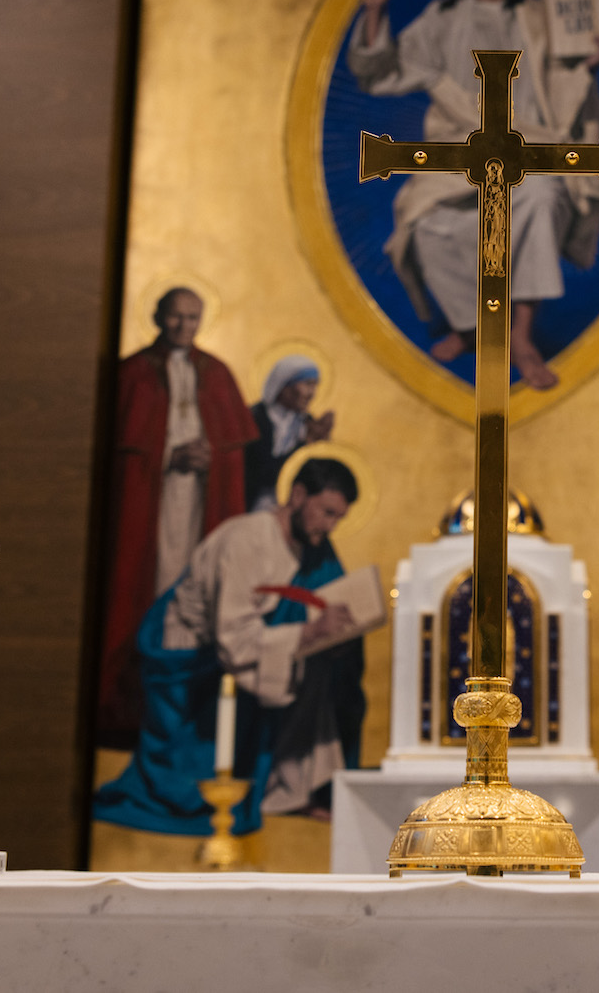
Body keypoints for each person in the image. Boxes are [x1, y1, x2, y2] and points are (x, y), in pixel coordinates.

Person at [348, 0, 599, 390]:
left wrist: (591, 65)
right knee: (426, 226)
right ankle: (470, 327)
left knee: (541, 202)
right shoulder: (442, 18)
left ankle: (520, 337)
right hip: (461, 154)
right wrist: (375, 11)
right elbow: (381, 71)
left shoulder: (540, 18)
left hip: (527, 149)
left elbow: (566, 81)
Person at [93, 459, 366, 835]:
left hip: (252, 651)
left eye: (339, 518)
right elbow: (233, 641)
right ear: (298, 495)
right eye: (327, 513)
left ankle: (291, 789)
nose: (330, 526)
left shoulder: (312, 544)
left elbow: (324, 598)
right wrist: (311, 633)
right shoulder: (247, 540)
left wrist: (334, 637)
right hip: (192, 654)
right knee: (188, 794)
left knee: (328, 674)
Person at [96, 287, 258, 749]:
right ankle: (128, 707)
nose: (184, 326)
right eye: (176, 317)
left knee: (194, 596)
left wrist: (212, 457)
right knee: (144, 589)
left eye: (192, 318)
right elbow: (125, 454)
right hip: (152, 508)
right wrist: (170, 455)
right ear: (158, 317)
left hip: (201, 510)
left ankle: (192, 708)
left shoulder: (218, 374)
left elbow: (232, 452)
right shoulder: (133, 374)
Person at [242, 354, 336, 513]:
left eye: (315, 386)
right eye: (307, 384)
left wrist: (322, 444)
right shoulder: (255, 419)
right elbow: (260, 473)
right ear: (284, 385)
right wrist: (305, 443)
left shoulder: (307, 423)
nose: (312, 393)